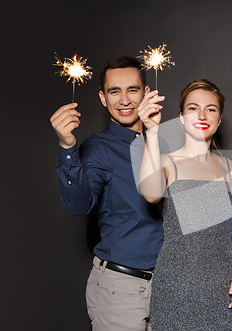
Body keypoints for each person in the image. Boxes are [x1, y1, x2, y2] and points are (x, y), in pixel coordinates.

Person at [50, 56, 166, 330]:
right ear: (103, 98)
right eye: (115, 91)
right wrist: (67, 148)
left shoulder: (163, 142)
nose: (124, 100)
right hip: (121, 288)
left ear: (146, 92)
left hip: (166, 287)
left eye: (133, 90)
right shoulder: (99, 148)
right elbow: (79, 205)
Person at [137, 79, 232, 330]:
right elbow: (150, 194)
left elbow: (230, 232)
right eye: (193, 108)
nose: (202, 115)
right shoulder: (167, 162)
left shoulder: (231, 168)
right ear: (180, 117)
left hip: (223, 290)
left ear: (219, 119)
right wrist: (152, 131)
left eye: (211, 109)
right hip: (176, 287)